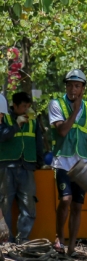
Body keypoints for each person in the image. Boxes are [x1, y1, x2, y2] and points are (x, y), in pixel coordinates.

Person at [49, 69, 87, 255]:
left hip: (82, 165)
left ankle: (72, 247)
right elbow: (62, 131)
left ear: (82, 89)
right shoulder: (56, 104)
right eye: (70, 85)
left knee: (78, 206)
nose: (72, 89)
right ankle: (59, 238)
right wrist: (75, 111)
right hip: (63, 161)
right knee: (66, 199)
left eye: (77, 86)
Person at [0, 93, 44, 242]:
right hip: (7, 166)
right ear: (15, 105)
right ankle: (6, 240)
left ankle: (23, 239)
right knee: (5, 203)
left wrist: (39, 161)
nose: (26, 109)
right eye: (23, 106)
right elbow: (2, 136)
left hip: (27, 166)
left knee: (28, 203)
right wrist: (16, 125)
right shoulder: (4, 118)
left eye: (28, 106)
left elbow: (39, 142)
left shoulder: (33, 120)